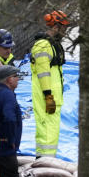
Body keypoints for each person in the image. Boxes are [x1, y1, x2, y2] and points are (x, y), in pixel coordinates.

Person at [30, 10, 68, 157]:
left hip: (52, 96)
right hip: (47, 96)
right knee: (46, 127)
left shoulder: (51, 45)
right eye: (63, 29)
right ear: (56, 27)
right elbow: (43, 73)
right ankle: (44, 159)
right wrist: (48, 96)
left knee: (51, 128)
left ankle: (48, 157)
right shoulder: (43, 46)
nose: (65, 33)